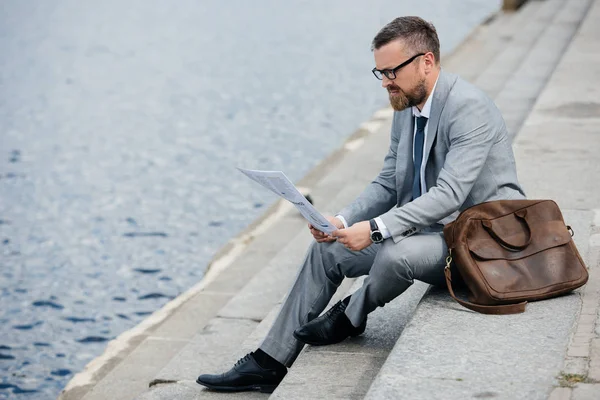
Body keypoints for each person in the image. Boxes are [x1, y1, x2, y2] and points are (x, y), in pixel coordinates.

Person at [196, 16, 525, 393]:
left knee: (394, 252)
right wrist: (340, 219)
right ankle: (269, 361)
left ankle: (350, 317)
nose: (384, 82)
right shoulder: (406, 107)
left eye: (391, 72)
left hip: (478, 241)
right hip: (427, 232)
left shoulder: (469, 108)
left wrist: (373, 229)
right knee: (327, 251)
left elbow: (449, 195)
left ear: (427, 62)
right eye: (379, 72)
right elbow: (387, 181)